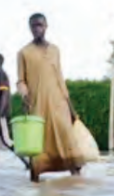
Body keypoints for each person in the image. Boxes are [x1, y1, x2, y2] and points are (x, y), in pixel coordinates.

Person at [17, 14, 83, 183]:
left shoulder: (55, 50)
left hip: (59, 103)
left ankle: (77, 184)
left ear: (46, 26)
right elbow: (21, 80)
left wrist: (71, 108)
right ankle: (35, 185)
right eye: (33, 26)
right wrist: (24, 94)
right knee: (37, 146)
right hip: (37, 105)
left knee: (67, 139)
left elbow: (60, 78)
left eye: (39, 25)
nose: (36, 29)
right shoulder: (24, 52)